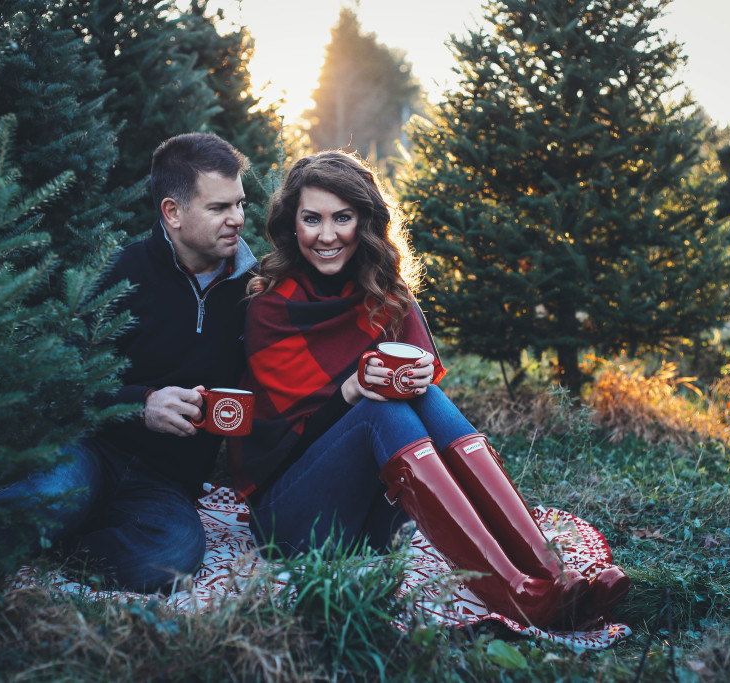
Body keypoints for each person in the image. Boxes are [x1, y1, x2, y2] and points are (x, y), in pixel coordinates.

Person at [229, 151, 630, 630]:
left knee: (424, 395)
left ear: (366, 222)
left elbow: (422, 402)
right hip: (292, 520)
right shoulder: (271, 305)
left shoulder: (384, 291)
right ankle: (518, 593)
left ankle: (553, 576)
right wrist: (351, 391)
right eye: (312, 219)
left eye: (343, 218)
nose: (327, 235)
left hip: (374, 521)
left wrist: (409, 380)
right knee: (381, 410)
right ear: (292, 225)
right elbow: (277, 450)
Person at [0, 133, 257, 593]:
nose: (237, 219)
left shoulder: (253, 290)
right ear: (172, 213)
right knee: (47, 497)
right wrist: (142, 404)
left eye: (240, 203)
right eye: (219, 208)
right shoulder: (121, 272)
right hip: (93, 450)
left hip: (166, 482)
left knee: (171, 556)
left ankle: (66, 546)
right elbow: (63, 378)